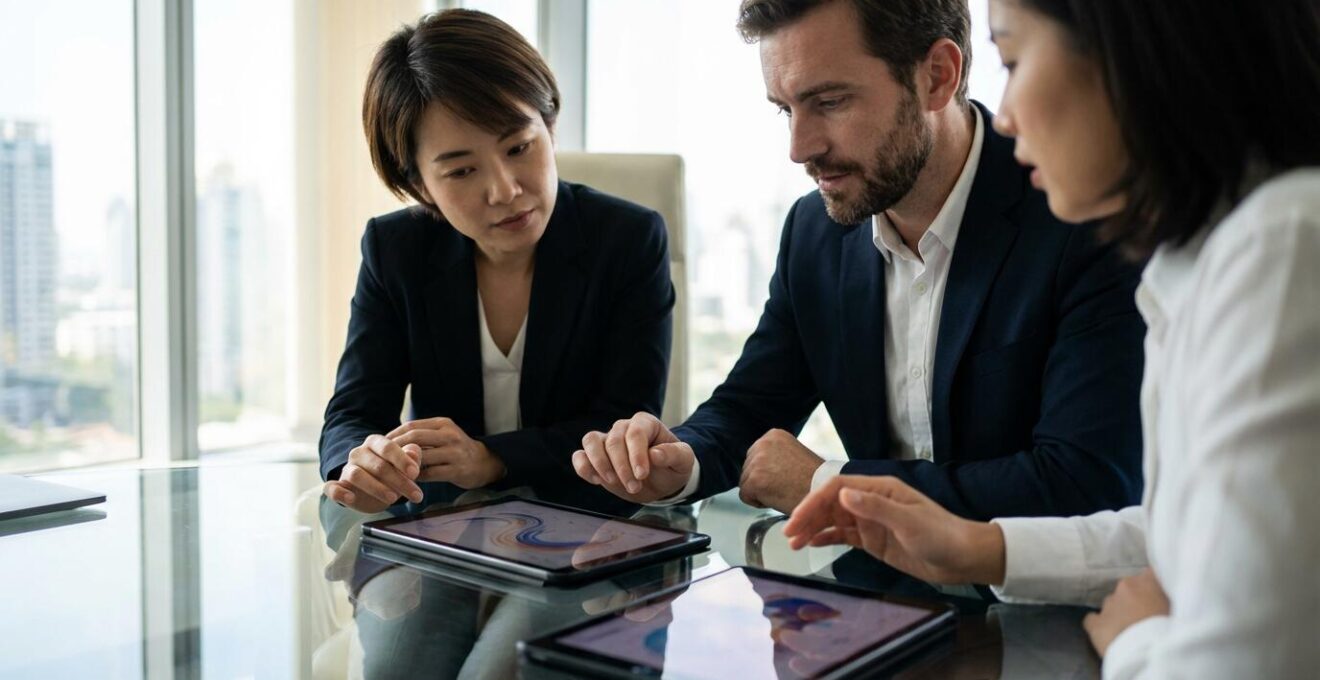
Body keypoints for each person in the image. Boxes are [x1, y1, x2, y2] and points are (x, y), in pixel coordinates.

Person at [783, 0, 1320, 677]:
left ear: (1128, 54)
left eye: (1011, 61)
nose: (1002, 114)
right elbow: (1197, 534)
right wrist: (980, 548)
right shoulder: (1196, 260)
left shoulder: (1283, 245)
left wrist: (1133, 638)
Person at [573, 0, 1145, 520]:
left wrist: (829, 485)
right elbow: (751, 407)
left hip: (1043, 616)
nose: (800, 148)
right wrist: (682, 459)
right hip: (870, 603)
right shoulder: (814, 231)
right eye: (785, 110)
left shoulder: (1078, 220)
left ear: (936, 77)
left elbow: (1087, 485)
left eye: (829, 102)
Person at [319, 9, 674, 513]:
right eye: (462, 170)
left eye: (519, 147)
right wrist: (361, 461)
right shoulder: (395, 249)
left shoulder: (628, 238)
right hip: (443, 528)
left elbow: (623, 420)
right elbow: (353, 413)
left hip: (586, 525)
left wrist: (492, 459)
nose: (505, 190)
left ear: (550, 126)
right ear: (420, 185)